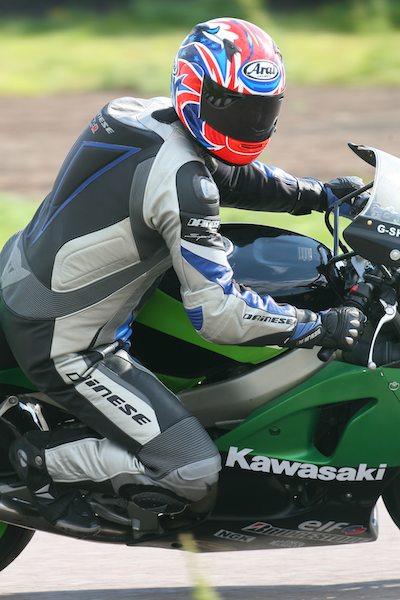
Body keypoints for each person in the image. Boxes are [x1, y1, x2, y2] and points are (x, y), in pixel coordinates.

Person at [0, 17, 365, 535]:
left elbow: (223, 172)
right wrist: (316, 325)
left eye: (263, 109)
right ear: (196, 89)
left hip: (18, 274)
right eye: (233, 106)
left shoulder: (131, 114)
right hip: (66, 343)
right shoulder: (185, 185)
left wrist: (316, 194)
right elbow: (219, 315)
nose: (250, 122)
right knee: (189, 470)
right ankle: (39, 459)